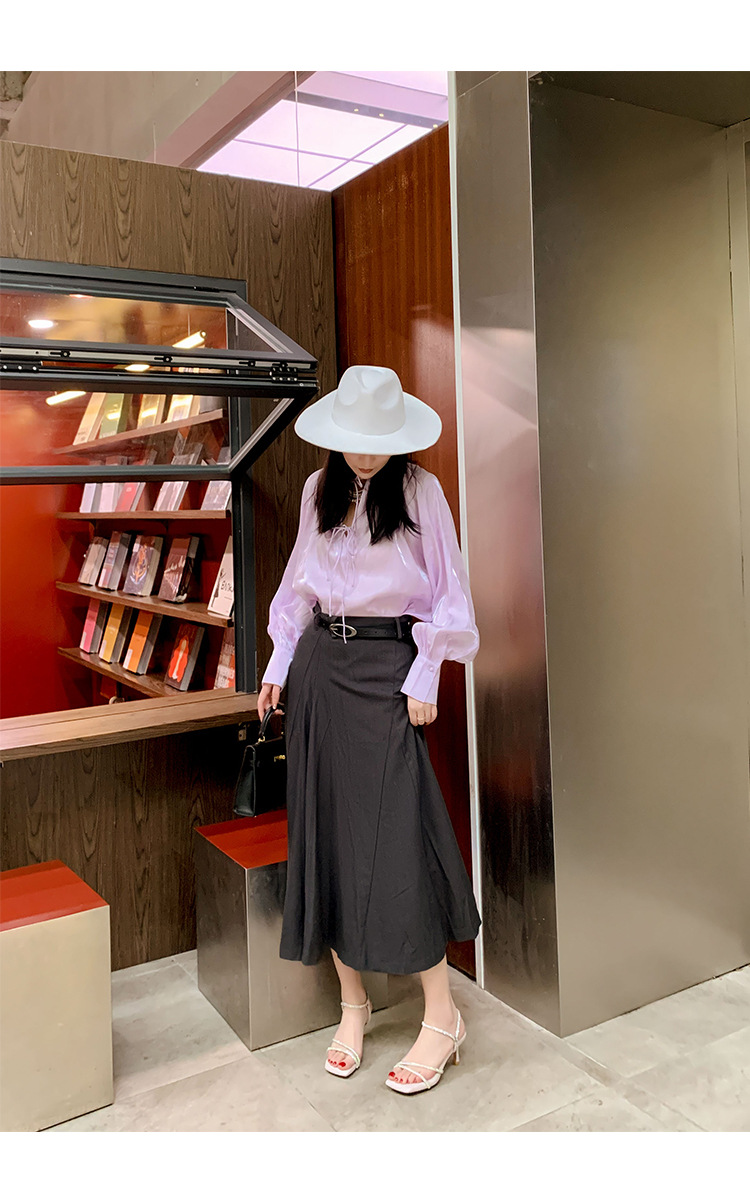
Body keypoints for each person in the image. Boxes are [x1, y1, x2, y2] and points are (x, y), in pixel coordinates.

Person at [257, 365, 481, 1096]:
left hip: (389, 665)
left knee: (397, 836)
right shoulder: (316, 491)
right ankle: (352, 1006)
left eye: (378, 440)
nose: (365, 453)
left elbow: (449, 594)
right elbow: (297, 588)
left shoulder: (420, 491)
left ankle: (442, 1016)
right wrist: (279, 664)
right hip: (321, 665)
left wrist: (427, 674)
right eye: (355, 439)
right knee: (325, 832)